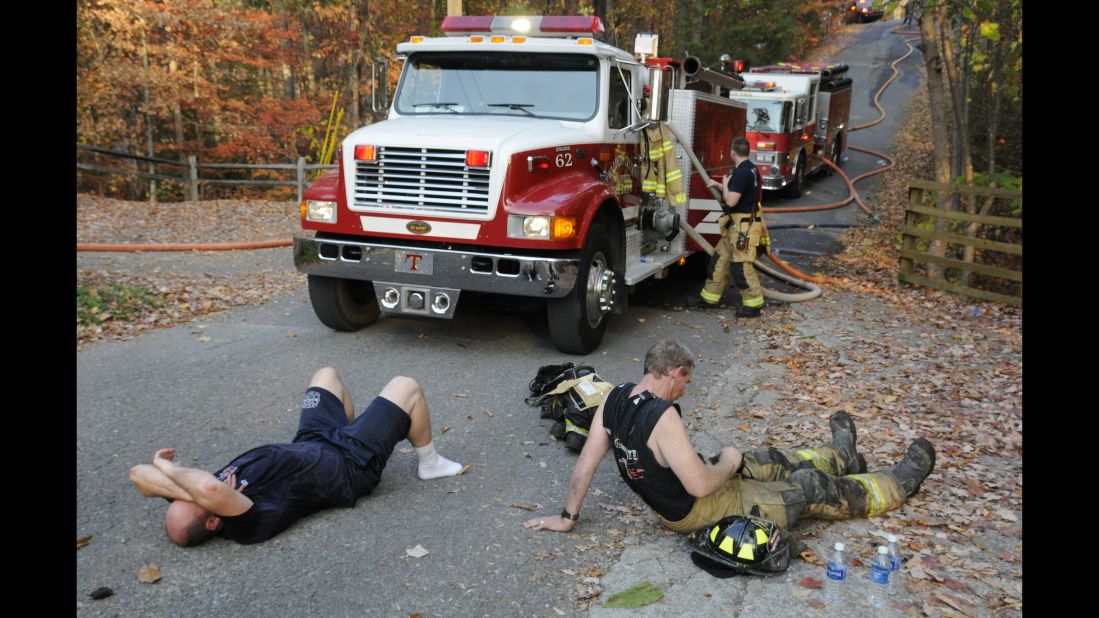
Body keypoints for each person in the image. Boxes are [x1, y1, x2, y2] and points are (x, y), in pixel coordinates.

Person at [524, 340, 935, 535]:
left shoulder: (614, 398)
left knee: (767, 459)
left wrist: (568, 516)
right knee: (808, 490)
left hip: (680, 498)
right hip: (696, 510)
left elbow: (586, 463)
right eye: (687, 380)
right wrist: (730, 464)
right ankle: (898, 483)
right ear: (675, 373)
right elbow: (701, 484)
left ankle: (842, 455)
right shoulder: (663, 415)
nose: (686, 389)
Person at [129, 369, 463, 546]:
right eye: (192, 496)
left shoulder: (199, 495)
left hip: (312, 442)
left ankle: (363, 429)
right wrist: (173, 470)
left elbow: (137, 476)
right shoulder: (244, 524)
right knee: (406, 386)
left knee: (326, 375)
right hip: (348, 466)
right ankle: (430, 463)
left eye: (178, 494)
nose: (195, 487)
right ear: (214, 521)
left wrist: (166, 474)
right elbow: (210, 489)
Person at [694, 137, 769, 317]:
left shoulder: (742, 173)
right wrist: (719, 185)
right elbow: (739, 194)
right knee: (719, 261)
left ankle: (753, 305)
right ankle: (709, 298)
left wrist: (725, 184)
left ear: (732, 152)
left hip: (742, 229)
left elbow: (731, 200)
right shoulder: (750, 169)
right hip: (736, 228)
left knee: (741, 267)